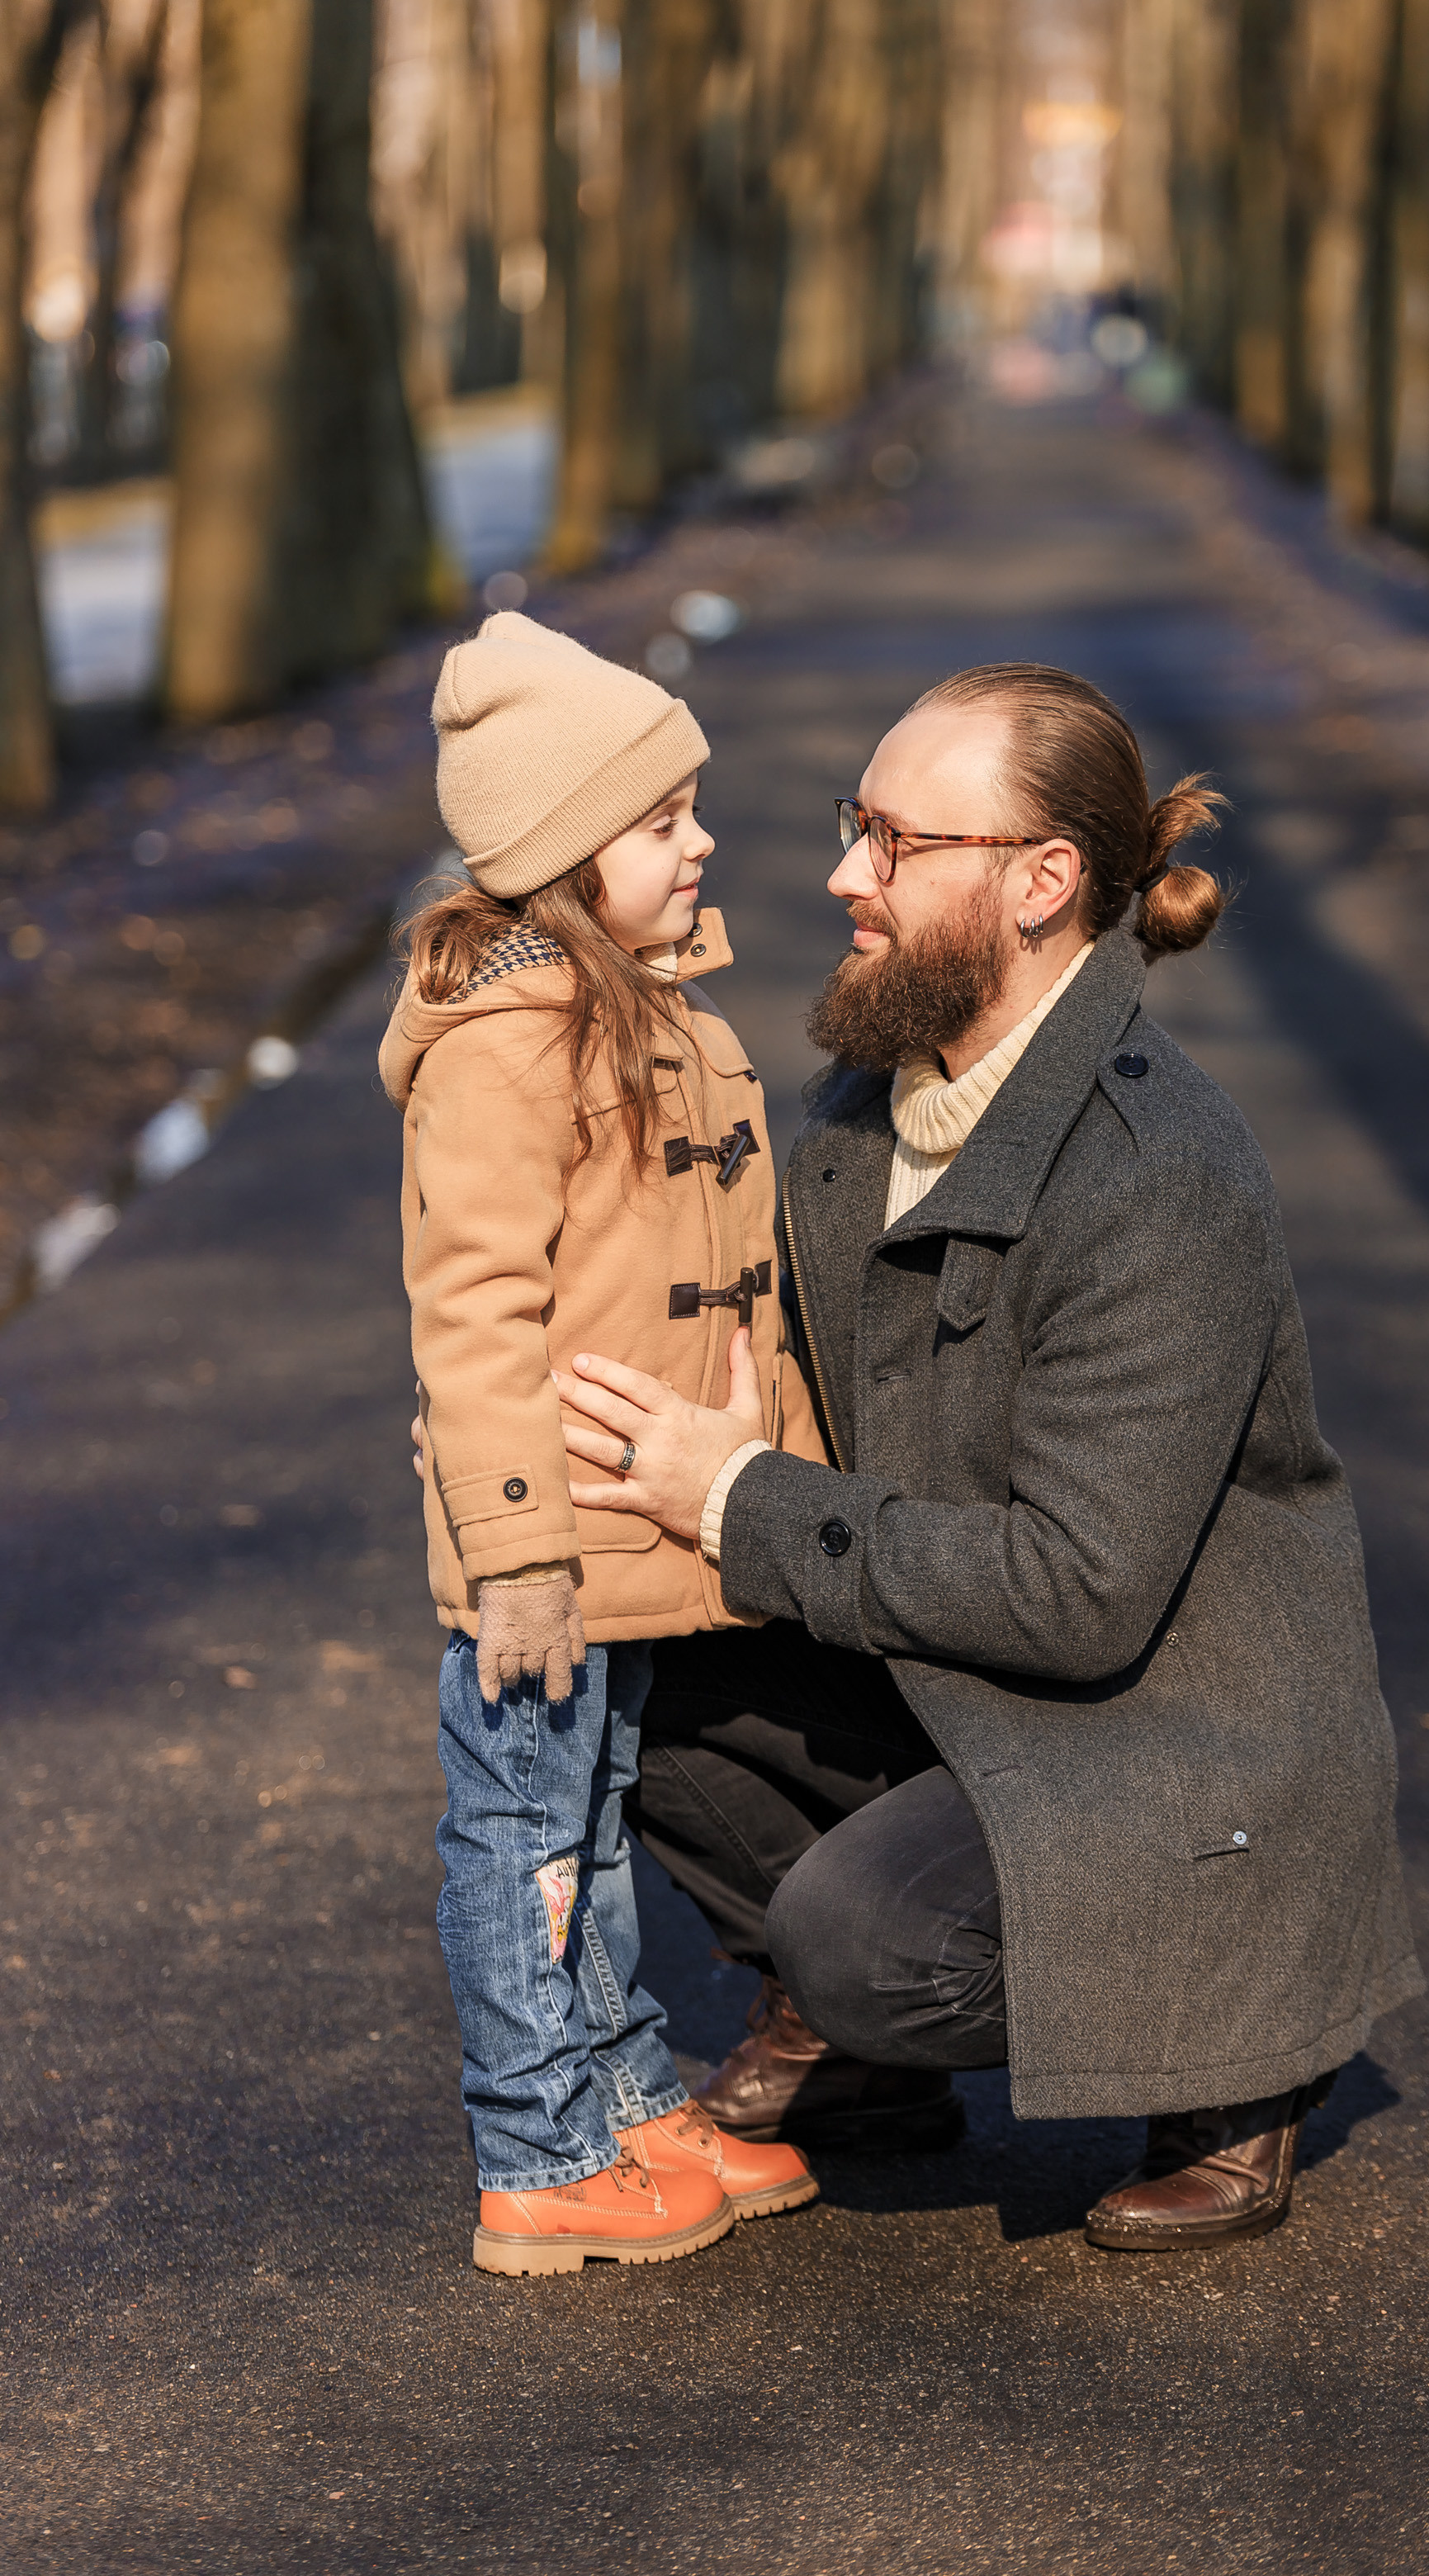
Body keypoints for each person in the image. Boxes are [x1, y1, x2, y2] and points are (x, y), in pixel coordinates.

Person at [554, 660, 1424, 2253]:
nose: (840, 877)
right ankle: (863, 2057)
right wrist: (521, 1415)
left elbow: (1082, 1595)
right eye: (852, 828)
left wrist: (746, 1499)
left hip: (1178, 1729)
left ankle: (1239, 2059)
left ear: (1043, 884)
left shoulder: (1160, 1173)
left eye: (895, 844)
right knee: (606, 1636)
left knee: (867, 1935)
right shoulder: (854, 1118)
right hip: (960, 1676)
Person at [382, 610, 823, 2276]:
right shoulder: (513, 1043)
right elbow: (474, 1308)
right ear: (567, 851)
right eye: (661, 820)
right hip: (547, 1551)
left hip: (635, 1532)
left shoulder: (648, 1012)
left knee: (596, 1810)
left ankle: (623, 2089)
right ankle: (539, 2147)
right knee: (521, 1833)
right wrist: (516, 1556)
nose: (700, 840)